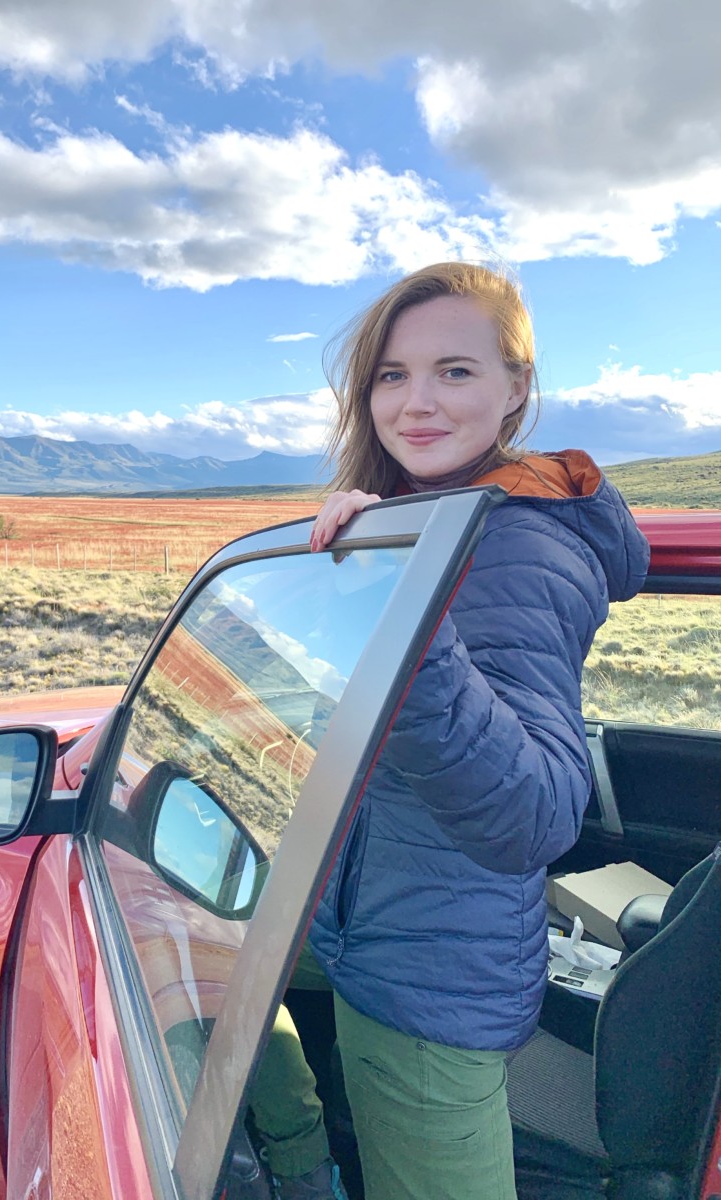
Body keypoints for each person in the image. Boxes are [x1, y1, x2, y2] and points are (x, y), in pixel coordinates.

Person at [254, 261, 650, 1200]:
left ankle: (298, 1159)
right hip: (361, 906)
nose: (416, 402)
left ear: (517, 390)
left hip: (430, 969)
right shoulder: (426, 520)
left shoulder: (517, 544)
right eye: (392, 375)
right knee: (179, 948)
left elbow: (532, 815)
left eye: (455, 371)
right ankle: (300, 1159)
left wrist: (397, 607)